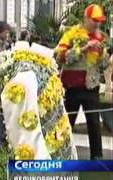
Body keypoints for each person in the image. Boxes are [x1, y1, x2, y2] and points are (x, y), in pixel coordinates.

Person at [55, 4, 110, 159]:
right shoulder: (72, 33)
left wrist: (102, 54)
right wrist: (84, 48)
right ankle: (60, 156)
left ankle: (97, 158)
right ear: (86, 18)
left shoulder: (101, 37)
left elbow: (104, 65)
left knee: (94, 124)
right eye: (95, 20)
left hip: (91, 87)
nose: (97, 24)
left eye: (100, 21)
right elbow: (60, 56)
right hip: (71, 87)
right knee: (66, 124)